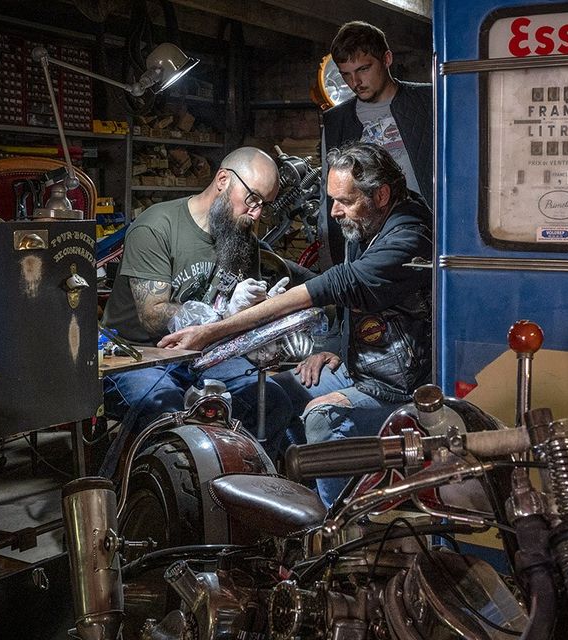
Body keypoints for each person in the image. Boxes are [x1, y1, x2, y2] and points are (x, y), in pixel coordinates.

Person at [161, 142, 433, 505]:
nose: (335, 212)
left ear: (381, 194)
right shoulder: (366, 223)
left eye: (345, 201)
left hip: (399, 387)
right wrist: (334, 348)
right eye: (332, 200)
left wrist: (214, 330)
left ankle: (335, 526)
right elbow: (355, 301)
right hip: (362, 369)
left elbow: (338, 284)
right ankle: (287, 498)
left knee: (321, 417)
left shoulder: (409, 235)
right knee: (278, 394)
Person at [99, 147, 293, 477]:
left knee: (273, 402)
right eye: (252, 199)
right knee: (168, 410)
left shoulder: (241, 239)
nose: (256, 214)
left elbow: (240, 310)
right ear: (222, 180)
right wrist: (223, 316)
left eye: (264, 205)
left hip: (206, 354)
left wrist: (263, 320)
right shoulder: (156, 227)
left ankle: (247, 491)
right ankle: (155, 499)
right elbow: (153, 314)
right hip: (141, 356)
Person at [319, 20, 433, 268]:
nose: (355, 82)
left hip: (424, 242)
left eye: (363, 69)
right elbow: (327, 198)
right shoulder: (336, 121)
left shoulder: (430, 102)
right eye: (346, 74)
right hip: (364, 246)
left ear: (387, 59)